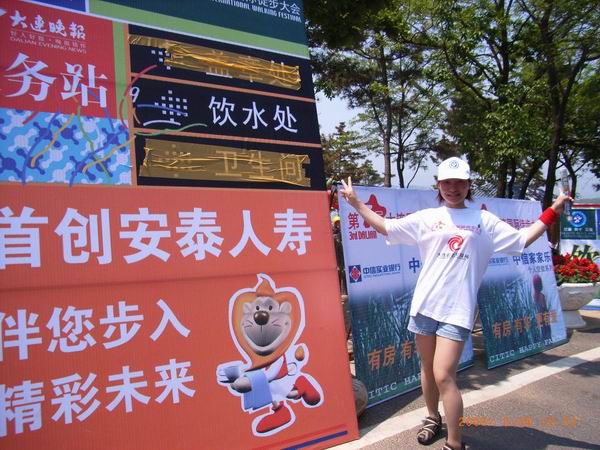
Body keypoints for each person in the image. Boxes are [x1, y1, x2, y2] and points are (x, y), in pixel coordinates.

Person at [339, 157, 570, 450]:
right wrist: (355, 203)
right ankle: (432, 417)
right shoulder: (427, 217)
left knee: (444, 375)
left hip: (457, 312)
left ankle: (454, 442)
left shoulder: (483, 220)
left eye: (459, 182)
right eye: (447, 182)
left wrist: (552, 210)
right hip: (424, 307)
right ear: (438, 185)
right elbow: (387, 226)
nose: (453, 188)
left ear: (469, 185)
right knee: (427, 368)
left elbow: (523, 239)